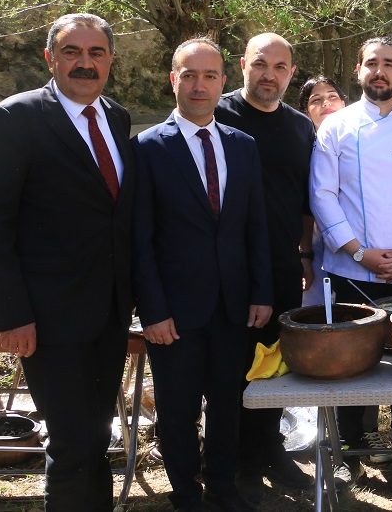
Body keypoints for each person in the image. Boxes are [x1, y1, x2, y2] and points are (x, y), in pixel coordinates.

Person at [0, 13, 134, 511]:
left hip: (109, 311)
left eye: (96, 53)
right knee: (70, 440)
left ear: (109, 60)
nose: (85, 63)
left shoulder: (118, 118)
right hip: (47, 316)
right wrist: (13, 314)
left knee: (97, 434)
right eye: (72, 52)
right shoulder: (14, 119)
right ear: (50, 58)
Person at [133, 38, 272, 511]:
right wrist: (152, 309)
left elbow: (256, 226)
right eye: (188, 75)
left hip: (234, 306)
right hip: (173, 312)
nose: (199, 85)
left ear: (223, 82)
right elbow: (139, 239)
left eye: (209, 76)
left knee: (228, 405)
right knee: (177, 411)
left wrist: (261, 291)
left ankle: (223, 488)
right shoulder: (147, 149)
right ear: (173, 80)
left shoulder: (242, 146)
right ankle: (186, 495)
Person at [309, 36, 392, 486]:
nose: (380, 72)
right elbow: (323, 195)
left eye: (389, 64)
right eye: (371, 64)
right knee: (350, 361)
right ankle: (350, 445)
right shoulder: (336, 128)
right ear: (358, 71)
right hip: (351, 270)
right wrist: (359, 252)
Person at [213, 33, 316, 499]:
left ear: (292, 73)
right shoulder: (216, 115)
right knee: (232, 366)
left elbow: (304, 200)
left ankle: (269, 450)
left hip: (280, 266)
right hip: (225, 266)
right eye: (260, 64)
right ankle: (232, 460)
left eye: (279, 66)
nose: (268, 75)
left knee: (273, 363)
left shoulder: (299, 127)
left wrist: (306, 252)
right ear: (242, 66)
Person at [298, 76, 347, 308]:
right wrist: (305, 256)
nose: (326, 103)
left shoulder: (359, 141)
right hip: (316, 245)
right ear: (306, 112)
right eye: (316, 100)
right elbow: (304, 206)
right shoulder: (301, 148)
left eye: (332, 97)